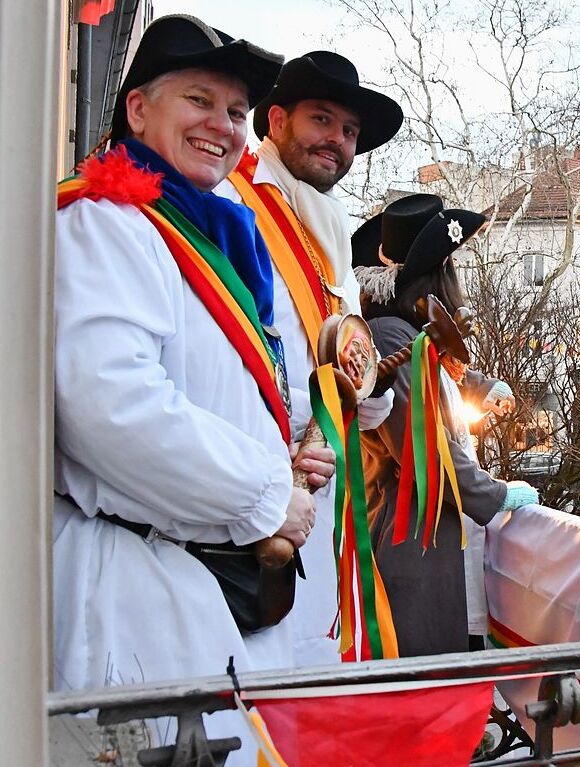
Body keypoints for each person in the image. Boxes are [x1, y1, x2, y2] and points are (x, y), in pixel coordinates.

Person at [53, 12, 326, 731]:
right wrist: (270, 490)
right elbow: (110, 406)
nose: (224, 124)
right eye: (199, 101)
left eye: (236, 110)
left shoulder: (205, 230)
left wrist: (292, 449)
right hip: (142, 591)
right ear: (138, 109)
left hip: (213, 589)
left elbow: (225, 388)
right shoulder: (105, 222)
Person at [217, 51, 403, 664]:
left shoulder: (329, 221)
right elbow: (230, 351)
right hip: (255, 482)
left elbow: (344, 359)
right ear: (275, 119)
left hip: (322, 481)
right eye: (322, 121)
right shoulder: (234, 200)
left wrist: (370, 393)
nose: (338, 142)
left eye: (349, 132)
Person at [351, 193, 535, 656]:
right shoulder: (391, 335)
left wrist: (481, 387)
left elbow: (436, 377)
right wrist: (493, 494)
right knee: (423, 678)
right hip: (412, 541)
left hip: (430, 538)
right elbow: (422, 444)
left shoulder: (405, 334)